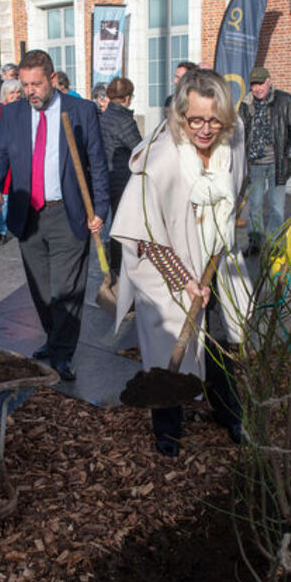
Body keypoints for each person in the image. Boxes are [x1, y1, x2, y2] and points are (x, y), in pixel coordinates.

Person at [110, 68, 250, 457]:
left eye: (214, 120)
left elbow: (240, 184)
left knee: (218, 344)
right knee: (167, 349)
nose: (205, 130)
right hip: (165, 267)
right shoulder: (158, 160)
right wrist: (185, 280)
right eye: (196, 120)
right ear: (180, 116)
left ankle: (230, 414)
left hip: (215, 261)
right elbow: (141, 233)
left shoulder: (232, 141)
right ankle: (167, 430)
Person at [0, 49, 109, 381]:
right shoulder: (11, 115)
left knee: (66, 289)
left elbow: (97, 163)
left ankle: (63, 352)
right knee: (41, 289)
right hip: (29, 215)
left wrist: (99, 210)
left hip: (68, 212)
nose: (30, 92)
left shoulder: (81, 111)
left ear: (52, 80)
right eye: (24, 85)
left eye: (36, 84)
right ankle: (54, 339)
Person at [237, 67, 291, 255]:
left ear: (269, 81)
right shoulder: (246, 105)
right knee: (255, 206)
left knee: (276, 206)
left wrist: (290, 158)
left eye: (261, 83)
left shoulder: (285, 101)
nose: (257, 88)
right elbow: (241, 134)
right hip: (254, 163)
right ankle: (255, 242)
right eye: (254, 84)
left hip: (277, 162)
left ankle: (275, 243)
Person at [99, 77, 142, 278]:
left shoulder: (105, 115)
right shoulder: (124, 120)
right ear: (126, 98)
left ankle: (114, 261)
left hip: (105, 175)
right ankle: (118, 266)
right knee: (121, 224)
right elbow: (139, 149)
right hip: (121, 178)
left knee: (112, 223)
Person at [0, 78, 23, 245]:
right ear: (5, 96)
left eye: (18, 92)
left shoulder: (25, 110)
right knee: (3, 195)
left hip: (20, 158)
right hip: (3, 159)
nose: (15, 96)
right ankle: (2, 229)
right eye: (12, 93)